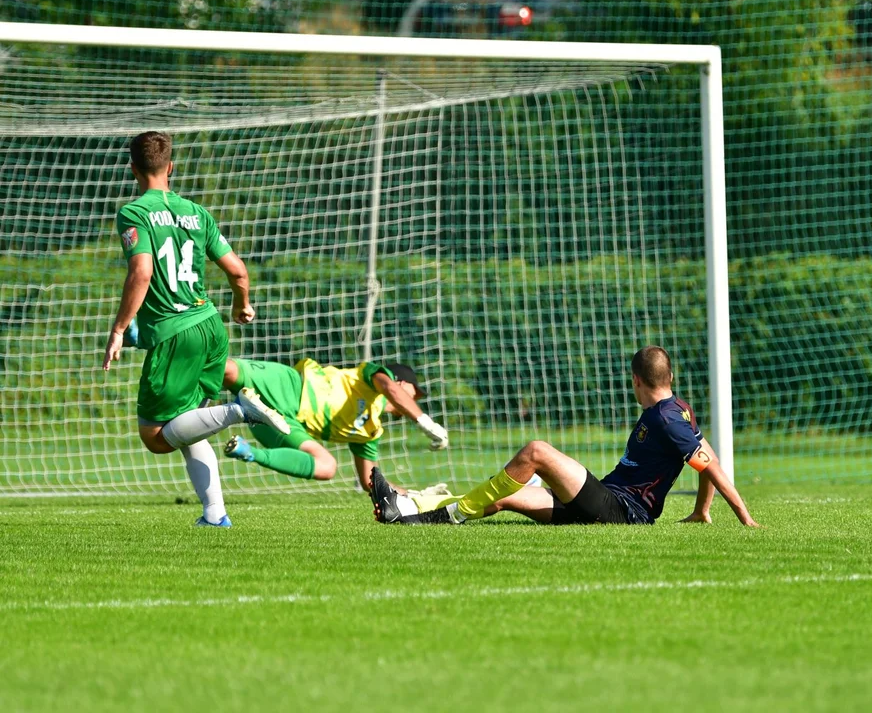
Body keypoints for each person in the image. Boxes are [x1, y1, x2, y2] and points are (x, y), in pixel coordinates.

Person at [103, 131, 290, 528]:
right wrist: (243, 305)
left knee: (155, 437)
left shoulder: (134, 213)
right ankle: (215, 515)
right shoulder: (198, 213)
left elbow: (142, 271)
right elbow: (238, 271)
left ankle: (241, 410)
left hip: (177, 335)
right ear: (171, 166)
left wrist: (120, 328)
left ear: (134, 169)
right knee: (189, 424)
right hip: (210, 326)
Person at [370, 346, 759, 527]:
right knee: (503, 495)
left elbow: (709, 465)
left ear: (636, 380)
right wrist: (702, 510)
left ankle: (439, 519)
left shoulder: (667, 420)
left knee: (537, 451)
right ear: (669, 378)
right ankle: (408, 508)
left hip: (622, 513)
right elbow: (709, 458)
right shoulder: (677, 409)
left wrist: (745, 519)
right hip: (604, 502)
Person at [222, 357, 451, 497]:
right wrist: (425, 422)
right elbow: (390, 388)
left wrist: (411, 495)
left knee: (327, 467)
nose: (416, 399)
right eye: (415, 392)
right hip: (290, 386)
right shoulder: (372, 378)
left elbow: (370, 483)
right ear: (401, 383)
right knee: (225, 369)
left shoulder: (371, 432)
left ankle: (249, 452)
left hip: (285, 424)